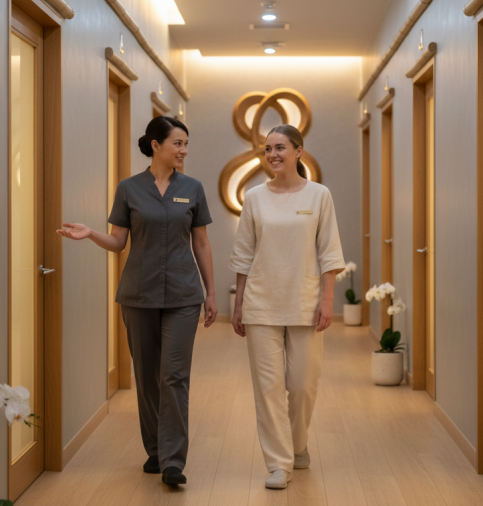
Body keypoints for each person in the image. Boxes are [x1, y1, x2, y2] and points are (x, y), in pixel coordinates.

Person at [57, 116, 217, 486]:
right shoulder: (129, 188)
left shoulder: (192, 188)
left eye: (186, 144)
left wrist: (210, 293)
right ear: (156, 145)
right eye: (178, 143)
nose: (184, 150)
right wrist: (91, 233)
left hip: (182, 295)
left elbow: (202, 243)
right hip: (138, 294)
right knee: (147, 378)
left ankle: (174, 462)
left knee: (174, 377)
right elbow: (118, 242)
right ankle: (156, 452)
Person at [229, 124, 345, 489]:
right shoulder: (254, 197)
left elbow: (329, 252)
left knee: (303, 383)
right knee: (268, 387)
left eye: (280, 147)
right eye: (267, 149)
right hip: (261, 301)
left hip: (305, 301)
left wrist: (327, 301)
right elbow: (244, 254)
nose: (273, 155)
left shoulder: (319, 195)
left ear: (298, 151)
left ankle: (297, 445)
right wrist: (239, 304)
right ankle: (279, 463)